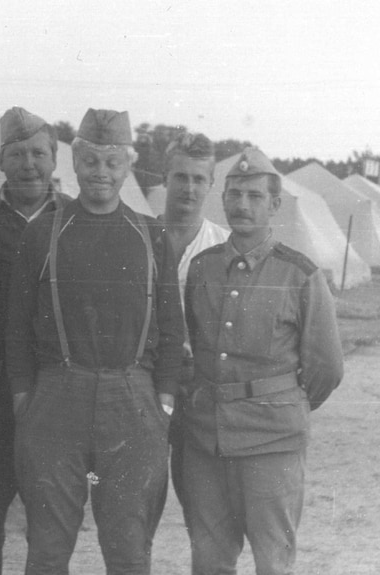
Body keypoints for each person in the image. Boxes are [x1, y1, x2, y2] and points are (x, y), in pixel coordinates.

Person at [7, 108, 184, 574]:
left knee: (128, 549)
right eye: (91, 162)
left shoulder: (151, 235)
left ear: (128, 166)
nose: (101, 174)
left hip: (132, 403)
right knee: (47, 548)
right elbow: (16, 325)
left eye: (112, 163)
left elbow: (172, 325)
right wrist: (25, 395)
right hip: (56, 399)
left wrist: (163, 400)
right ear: (75, 163)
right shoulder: (42, 231)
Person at [180, 147, 344, 575]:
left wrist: (282, 406)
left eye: (254, 196)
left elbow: (326, 367)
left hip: (273, 441)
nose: (242, 205)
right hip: (207, 439)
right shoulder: (202, 268)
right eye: (234, 194)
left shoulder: (299, 274)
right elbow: (195, 351)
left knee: (272, 562)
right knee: (209, 559)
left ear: (274, 205)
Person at [0, 106, 71, 575]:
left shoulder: (78, 219)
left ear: (55, 159)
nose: (29, 164)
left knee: (50, 523)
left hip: (56, 396)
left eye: (39, 153)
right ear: (1, 162)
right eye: (18, 154)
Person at [156, 132, 229, 522]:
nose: (189, 187)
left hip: (201, 394)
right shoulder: (139, 236)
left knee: (202, 510)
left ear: (211, 184)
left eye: (199, 179)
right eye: (180, 176)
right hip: (148, 387)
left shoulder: (225, 247)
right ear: (164, 177)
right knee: (138, 504)